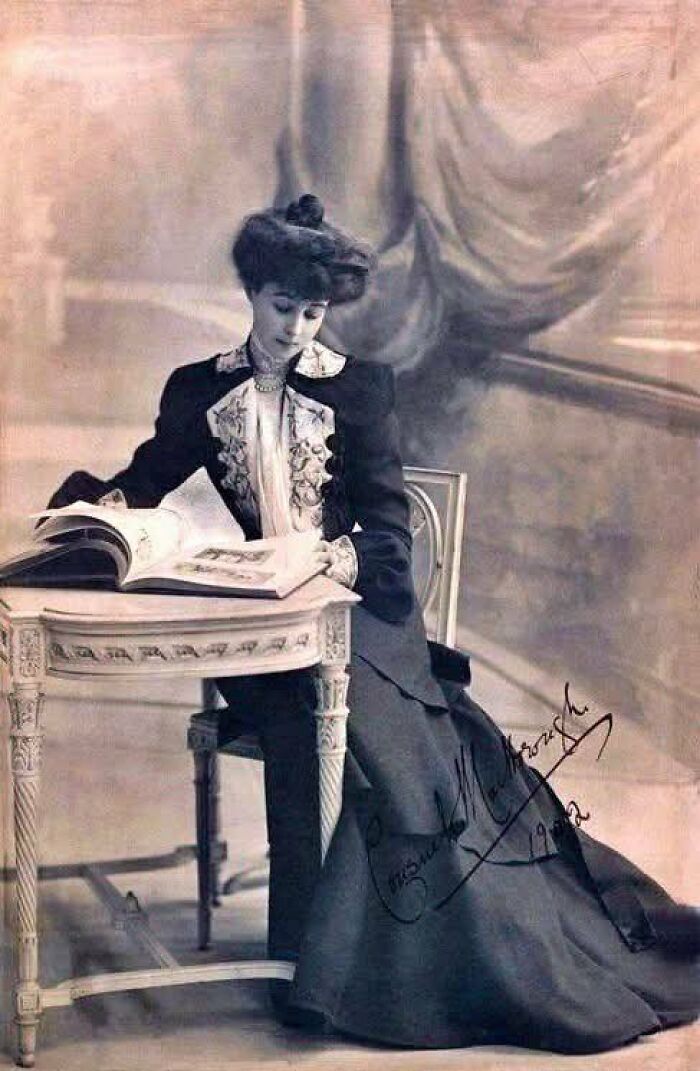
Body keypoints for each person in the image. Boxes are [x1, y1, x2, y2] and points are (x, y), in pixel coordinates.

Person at [48, 193, 699, 1054]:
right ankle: (307, 961)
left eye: (313, 311)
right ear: (254, 295)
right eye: (284, 307)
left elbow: (392, 545)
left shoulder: (359, 390)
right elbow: (144, 481)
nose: (296, 327)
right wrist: (101, 517)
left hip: (364, 617)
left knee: (379, 755)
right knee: (301, 710)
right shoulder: (200, 390)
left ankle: (341, 972)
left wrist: (321, 561)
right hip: (261, 629)